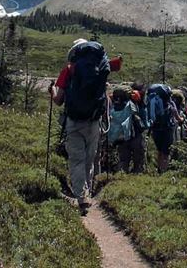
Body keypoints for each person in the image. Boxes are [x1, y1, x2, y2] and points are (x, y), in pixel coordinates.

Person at [49, 38, 122, 215]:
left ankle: (81, 197)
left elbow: (58, 101)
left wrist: (51, 90)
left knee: (76, 159)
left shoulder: (69, 70)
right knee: (89, 159)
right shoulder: (99, 70)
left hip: (74, 122)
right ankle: (87, 190)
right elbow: (105, 99)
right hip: (94, 121)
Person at [108, 86, 143, 173]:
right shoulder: (130, 104)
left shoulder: (113, 106)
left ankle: (121, 176)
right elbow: (136, 118)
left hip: (120, 136)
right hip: (133, 134)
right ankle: (136, 174)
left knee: (123, 158)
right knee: (137, 157)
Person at [146, 83, 179, 173]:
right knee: (166, 152)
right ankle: (163, 170)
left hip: (155, 129)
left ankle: (159, 169)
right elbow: (177, 117)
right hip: (167, 129)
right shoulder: (170, 103)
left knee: (159, 150)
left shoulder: (151, 100)